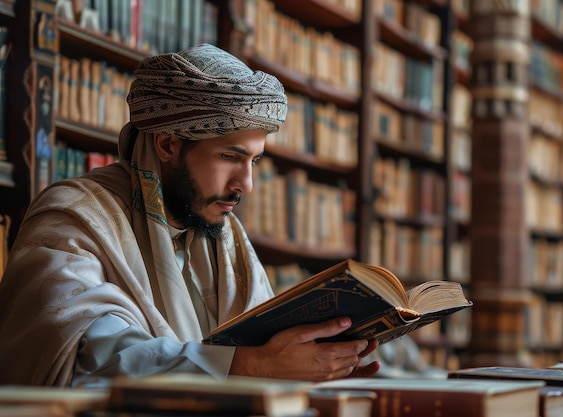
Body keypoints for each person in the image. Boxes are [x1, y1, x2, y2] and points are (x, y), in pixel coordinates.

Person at [0, 44, 380, 387]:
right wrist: (251, 366)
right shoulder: (73, 216)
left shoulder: (225, 237)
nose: (245, 184)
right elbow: (91, 358)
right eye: (230, 157)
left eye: (254, 161)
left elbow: (267, 349)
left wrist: (319, 367)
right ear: (168, 144)